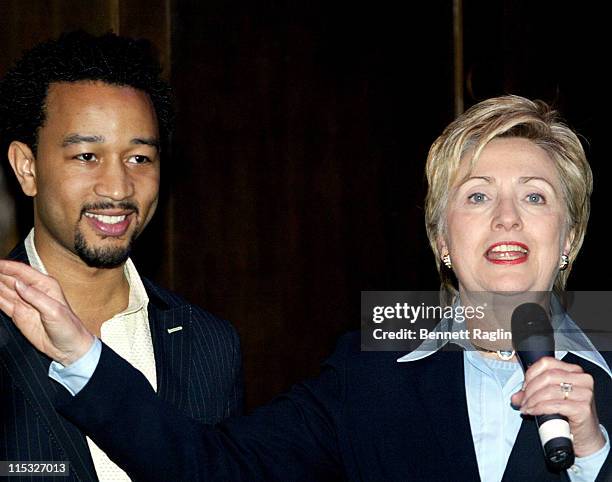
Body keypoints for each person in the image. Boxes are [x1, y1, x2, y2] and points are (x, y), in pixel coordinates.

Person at [1, 95, 610, 481]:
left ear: (569, 237)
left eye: (535, 195)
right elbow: (215, 469)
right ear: (441, 240)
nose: (507, 217)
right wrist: (82, 355)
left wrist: (593, 455)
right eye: (477, 196)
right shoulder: (373, 365)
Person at [0, 31, 242, 481]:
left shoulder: (210, 344)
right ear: (26, 167)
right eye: (87, 155)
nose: (117, 188)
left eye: (139, 159)